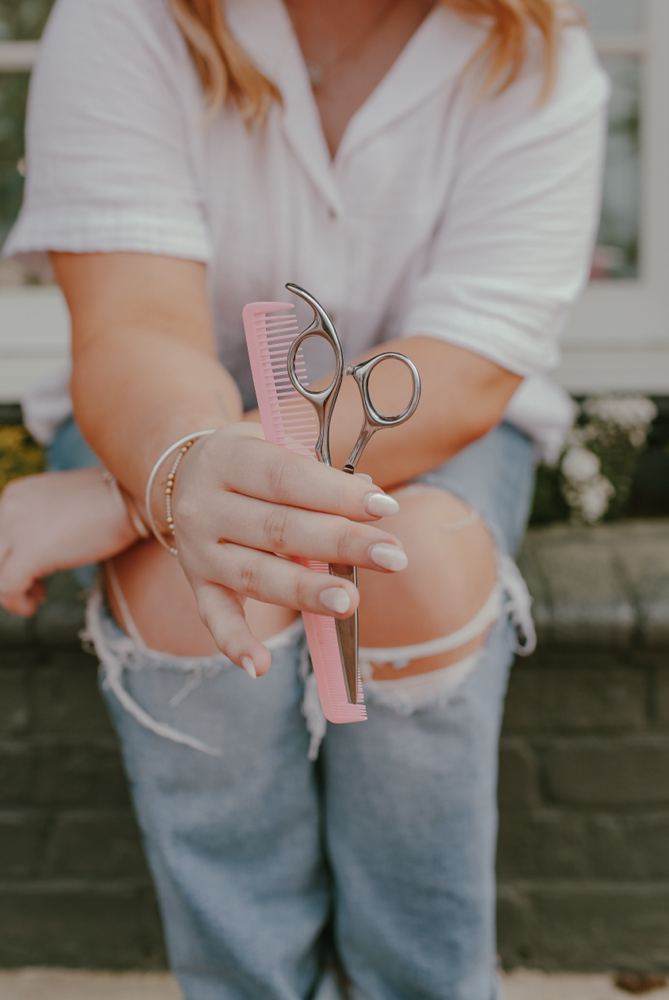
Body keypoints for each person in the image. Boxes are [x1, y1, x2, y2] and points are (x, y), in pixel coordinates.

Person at [0, 0, 607, 996]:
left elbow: (460, 371)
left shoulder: (539, 54)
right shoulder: (121, 19)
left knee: (414, 561)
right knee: (183, 596)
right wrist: (171, 475)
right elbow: (138, 331)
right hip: (154, 413)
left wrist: (126, 498)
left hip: (430, 434)